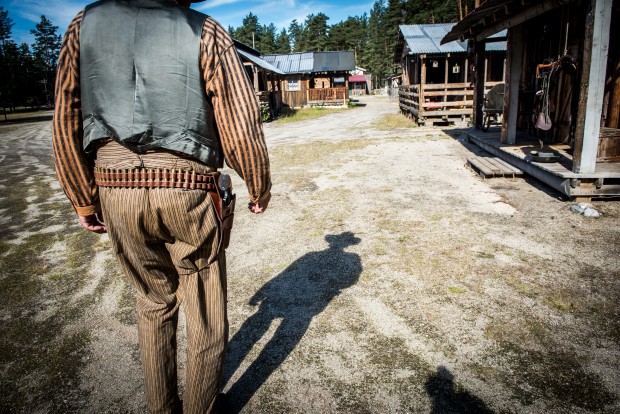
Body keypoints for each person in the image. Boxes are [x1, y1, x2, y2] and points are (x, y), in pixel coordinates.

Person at [52, 0, 271, 412]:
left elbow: (66, 117)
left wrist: (82, 198)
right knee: (204, 312)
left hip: (114, 187)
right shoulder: (204, 30)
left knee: (152, 304)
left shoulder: (84, 23)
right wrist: (258, 185)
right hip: (188, 186)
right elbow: (240, 122)